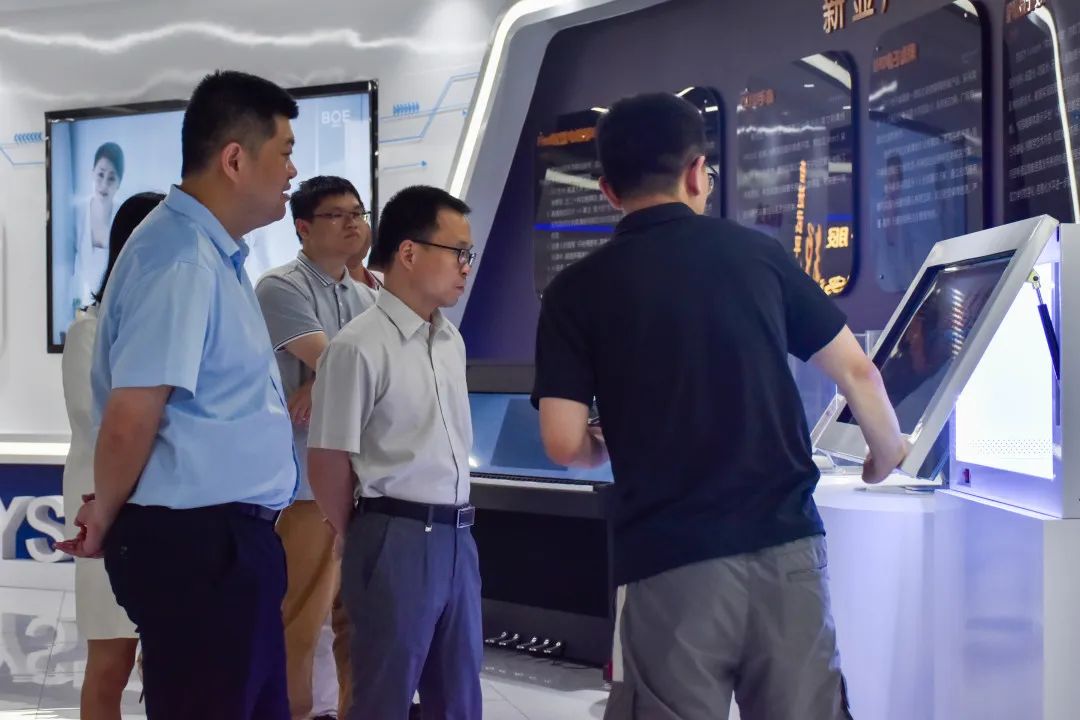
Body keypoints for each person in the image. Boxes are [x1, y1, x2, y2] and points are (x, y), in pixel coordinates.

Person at [531, 92, 908, 720]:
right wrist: (885, 453)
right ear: (696, 172)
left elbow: (563, 442)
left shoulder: (574, 291)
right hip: (785, 549)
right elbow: (858, 371)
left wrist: (609, 437)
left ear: (608, 191)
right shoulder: (759, 256)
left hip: (667, 564)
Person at [57, 70, 301, 720]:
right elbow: (131, 415)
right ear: (234, 159)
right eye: (284, 151)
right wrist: (106, 514)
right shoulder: (181, 258)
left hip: (222, 545)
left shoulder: (208, 254)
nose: (292, 170)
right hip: (199, 549)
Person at [308, 185, 480, 720]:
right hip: (394, 533)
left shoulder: (451, 341)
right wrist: (361, 530)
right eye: (458, 252)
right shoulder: (357, 346)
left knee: (459, 697)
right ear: (409, 252)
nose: (466, 267)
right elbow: (327, 459)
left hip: (459, 536)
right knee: (383, 696)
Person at [255, 175, 375, 720]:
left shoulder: (367, 295)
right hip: (305, 484)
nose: (353, 223)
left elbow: (376, 372)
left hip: (363, 479)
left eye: (358, 212)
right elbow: (348, 364)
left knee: (358, 620)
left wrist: (326, 376)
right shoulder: (281, 287)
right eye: (337, 215)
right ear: (303, 227)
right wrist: (330, 371)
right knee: (299, 619)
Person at [61, 191, 163, 720]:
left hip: (171, 517)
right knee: (111, 661)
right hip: (106, 513)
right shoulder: (89, 330)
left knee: (169, 664)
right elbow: (102, 424)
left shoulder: (171, 327)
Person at [72, 142, 125, 312]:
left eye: (111, 178)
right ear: (92, 173)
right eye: (100, 174)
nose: (104, 184)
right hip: (81, 309)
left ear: (119, 183)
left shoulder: (124, 215)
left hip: (114, 310)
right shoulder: (77, 213)